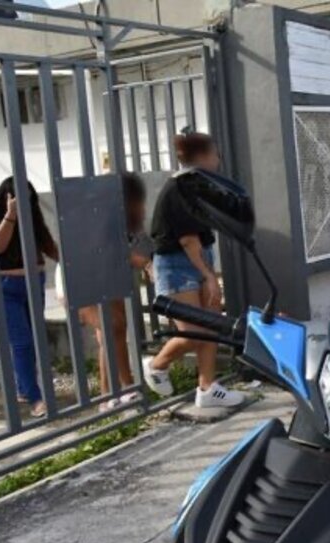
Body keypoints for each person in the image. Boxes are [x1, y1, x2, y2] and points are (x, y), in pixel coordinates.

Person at [143, 132, 245, 408]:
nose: (218, 159)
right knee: (193, 331)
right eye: (215, 153)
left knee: (210, 327)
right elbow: (187, 239)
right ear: (201, 157)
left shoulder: (195, 184)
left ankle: (207, 388)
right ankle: (156, 365)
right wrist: (209, 276)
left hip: (196, 258)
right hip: (178, 264)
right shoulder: (182, 187)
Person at [0, 177, 58, 417]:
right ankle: (35, 399)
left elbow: (46, 243)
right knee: (21, 342)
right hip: (2, 285)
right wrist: (10, 215)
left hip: (34, 282)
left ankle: (24, 388)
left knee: (32, 339)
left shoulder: (31, 214)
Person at [76, 172, 152, 412]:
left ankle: (108, 396)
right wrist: (146, 264)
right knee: (113, 329)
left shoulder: (111, 216)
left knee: (111, 334)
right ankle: (126, 387)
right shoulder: (99, 216)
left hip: (106, 276)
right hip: (86, 277)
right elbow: (112, 250)